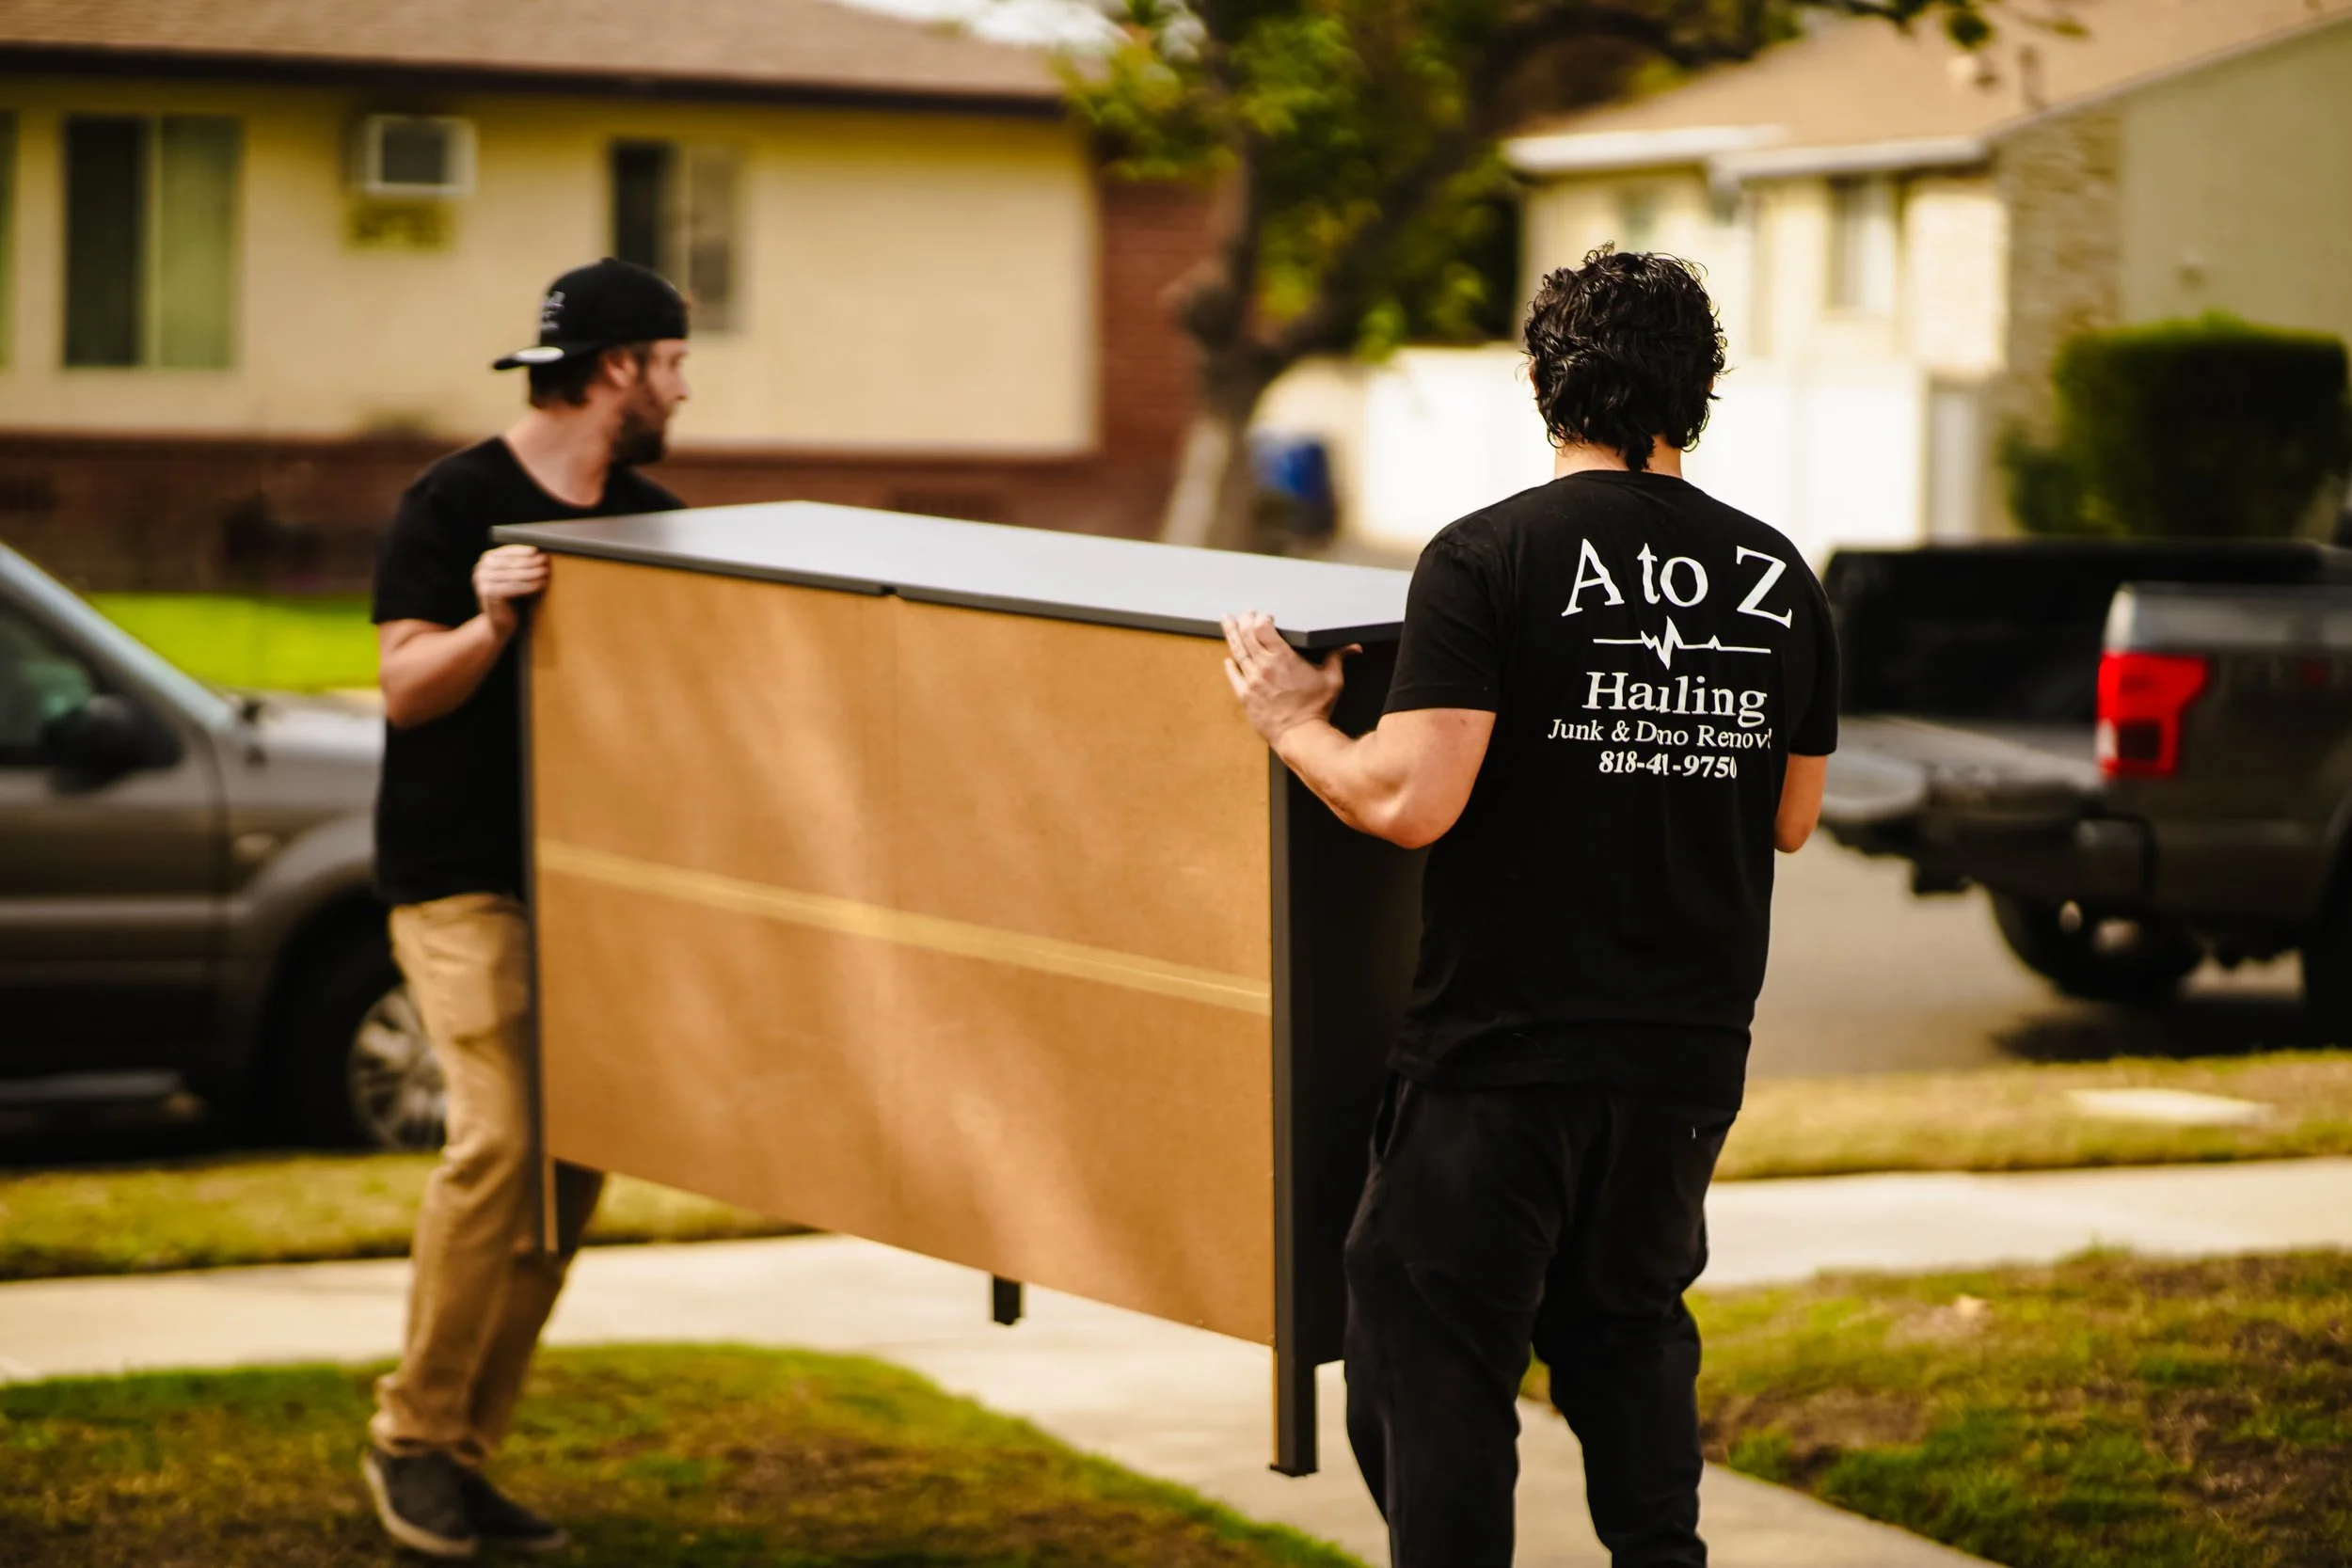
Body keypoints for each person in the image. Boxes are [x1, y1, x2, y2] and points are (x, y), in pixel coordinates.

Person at [1220, 247, 1836, 1567]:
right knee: (1628, 1331)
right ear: (1698, 390)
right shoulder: (1781, 578)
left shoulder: (1490, 556)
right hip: (1684, 1060)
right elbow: (1791, 816)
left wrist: (1291, 723)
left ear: (1549, 385)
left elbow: (1409, 800)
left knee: (1425, 1354)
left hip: (1503, 1053)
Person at [361, 258, 691, 1560]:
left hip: (588, 891)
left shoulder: (655, 521)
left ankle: (457, 1453)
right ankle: (407, 1436)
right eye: (673, 363)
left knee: (570, 1166)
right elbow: (405, 689)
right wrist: (492, 623)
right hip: (459, 882)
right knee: (500, 1142)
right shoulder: (452, 505)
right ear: (619, 368)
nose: (683, 389)